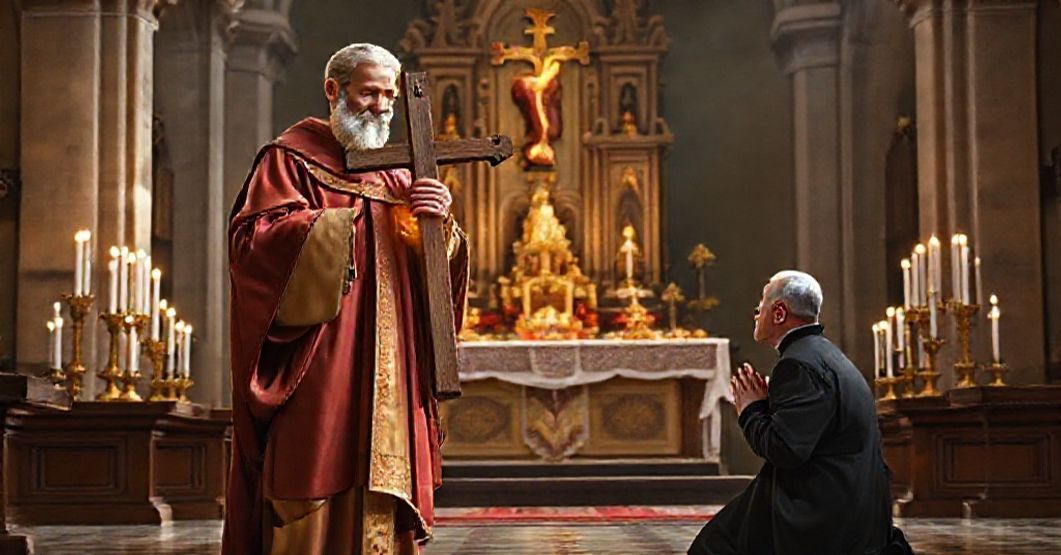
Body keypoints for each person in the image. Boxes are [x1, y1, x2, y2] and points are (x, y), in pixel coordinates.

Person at [223, 43, 468, 555]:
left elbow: (434, 275)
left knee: (385, 471)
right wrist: (341, 226)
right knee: (313, 460)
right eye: (367, 92)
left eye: (388, 96)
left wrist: (437, 224)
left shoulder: (401, 174)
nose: (379, 105)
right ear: (333, 90)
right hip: (321, 359)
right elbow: (254, 244)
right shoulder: (290, 160)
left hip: (392, 365)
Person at [688, 271, 912, 555]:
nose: (756, 312)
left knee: (713, 546)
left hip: (825, 512)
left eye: (762, 303)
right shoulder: (824, 354)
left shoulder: (796, 365)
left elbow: (785, 451)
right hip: (856, 501)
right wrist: (769, 405)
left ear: (779, 312)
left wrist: (750, 409)